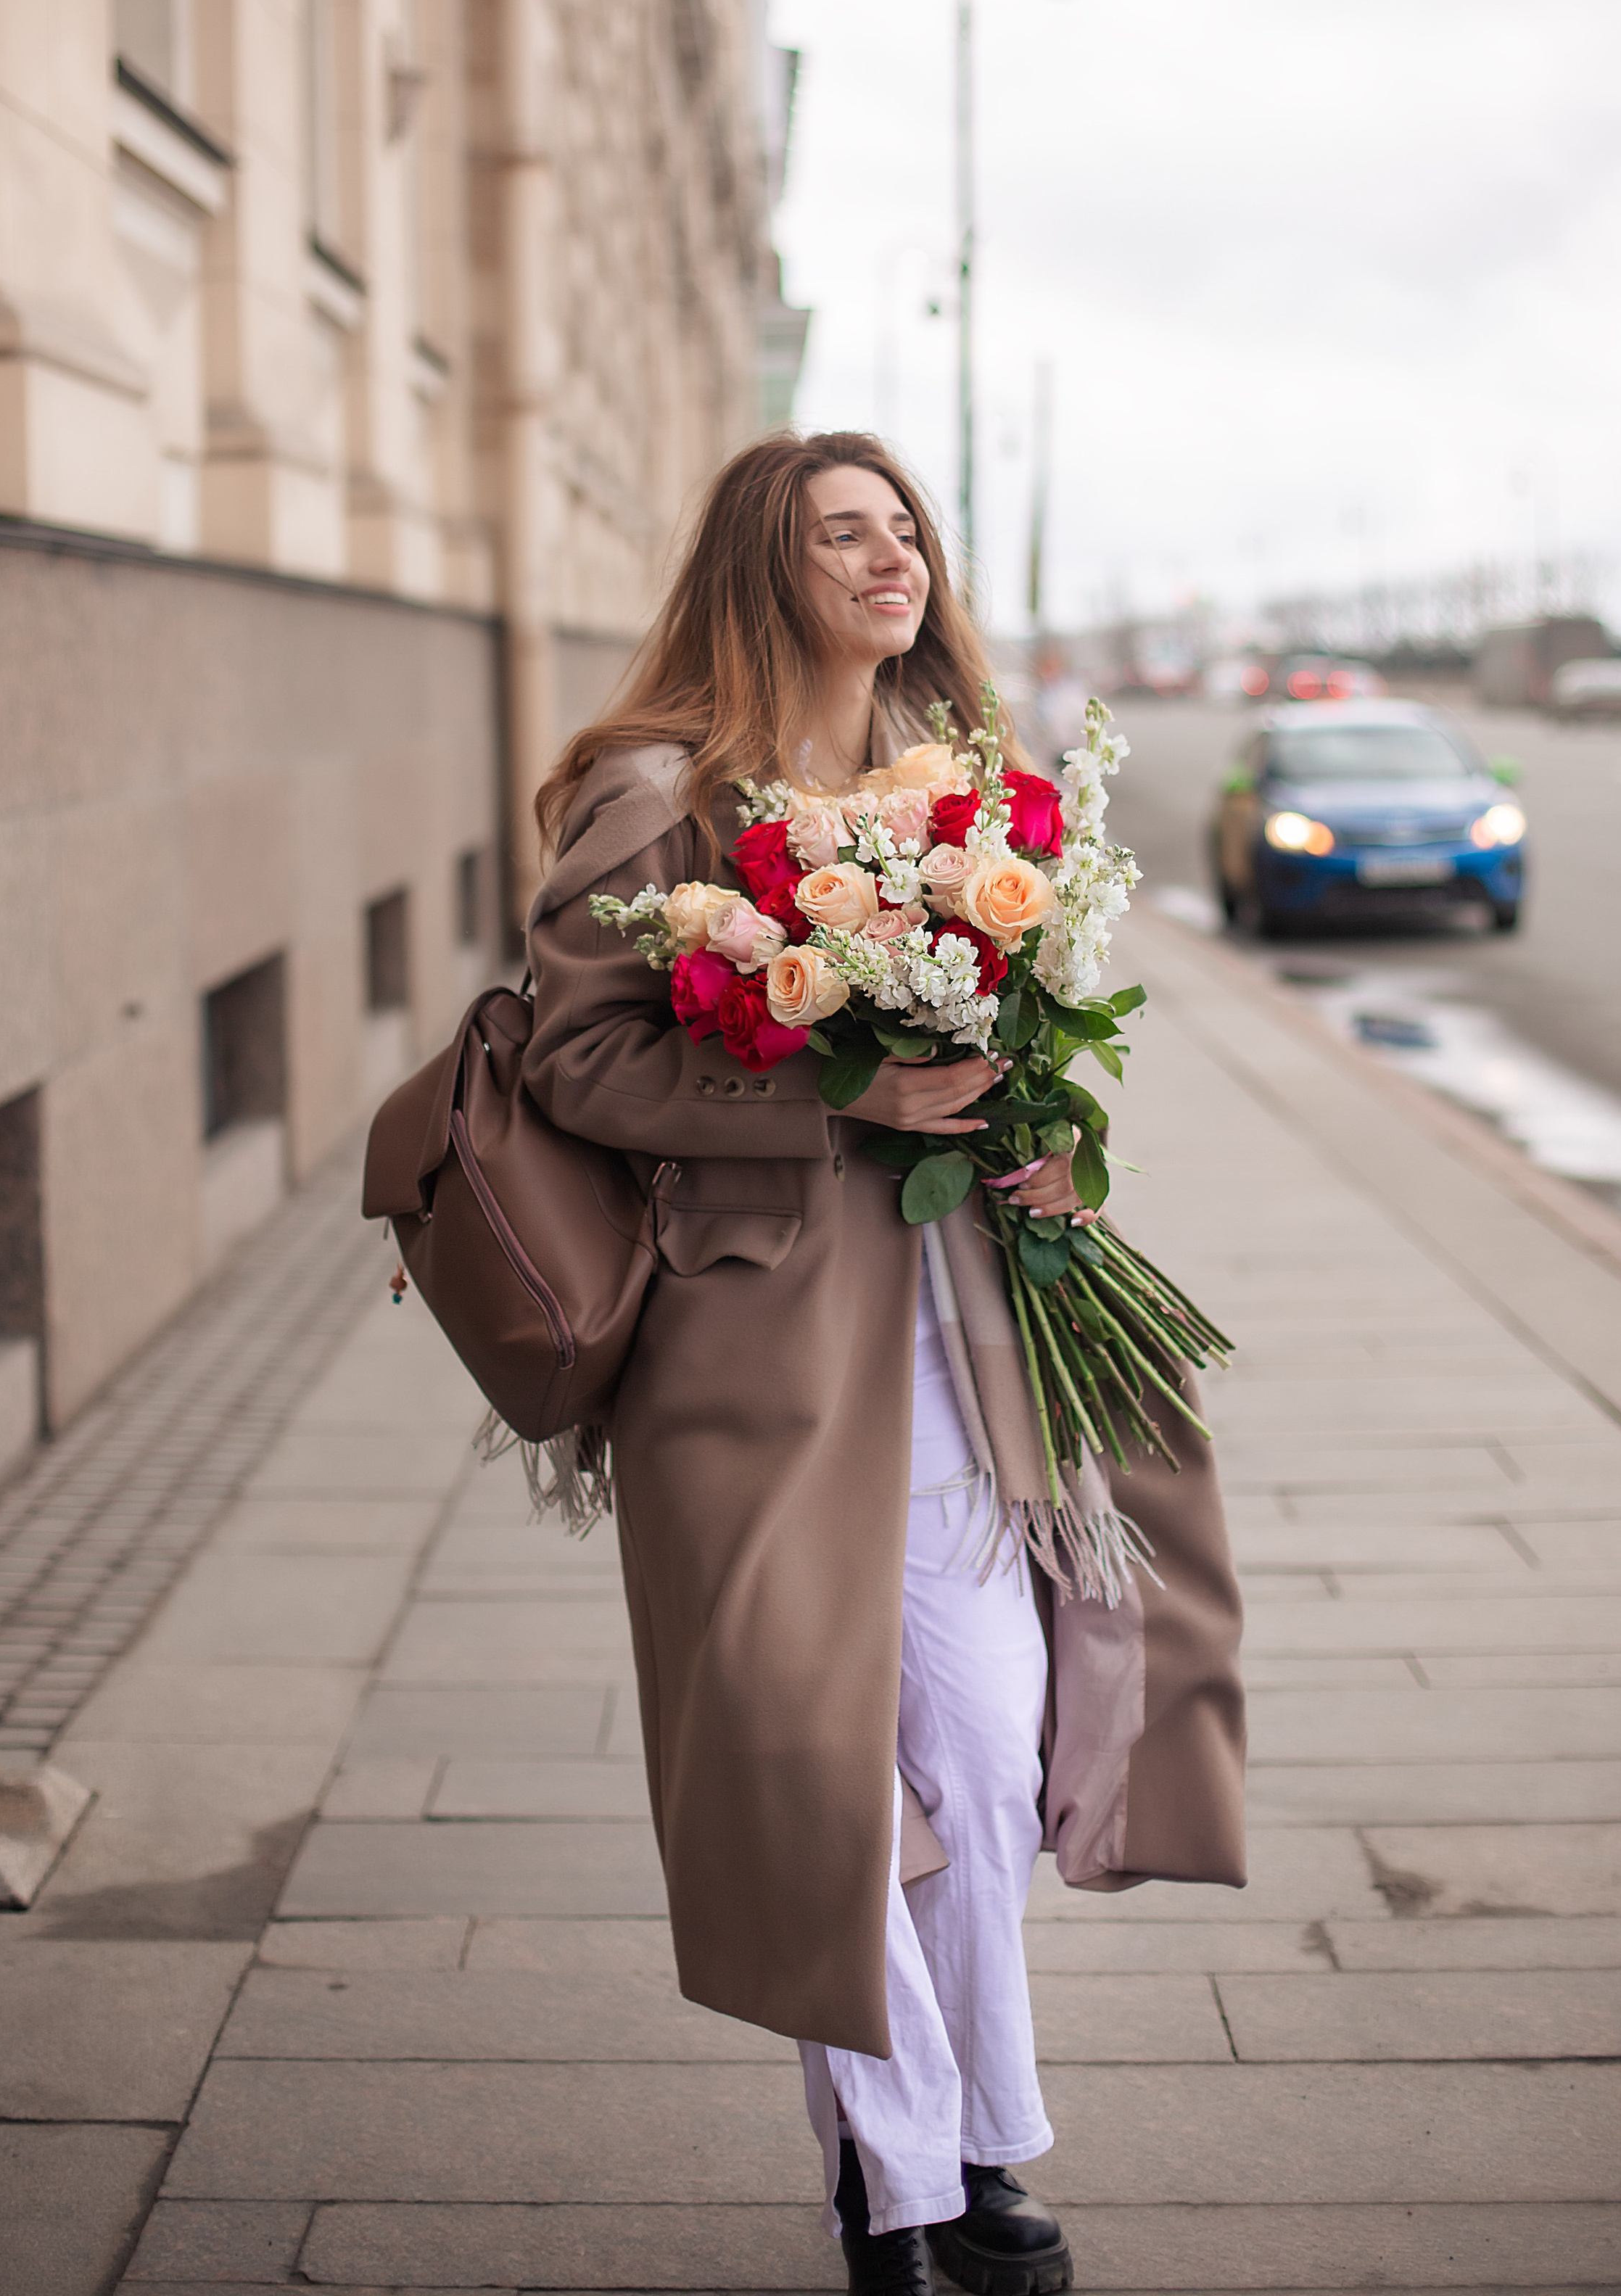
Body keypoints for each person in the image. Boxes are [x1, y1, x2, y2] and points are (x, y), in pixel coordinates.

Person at [523, 432, 1245, 2296]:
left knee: (983, 1772)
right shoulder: (657, 786)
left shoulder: (977, 798)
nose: (890, 554)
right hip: (755, 1372)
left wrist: (1046, 1142)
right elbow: (570, 1064)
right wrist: (837, 1089)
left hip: (959, 1347)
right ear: (766, 565)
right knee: (830, 1791)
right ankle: (913, 2186)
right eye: (842, 531)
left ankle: (967, 2129)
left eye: (902, 525)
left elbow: (1028, 1052)